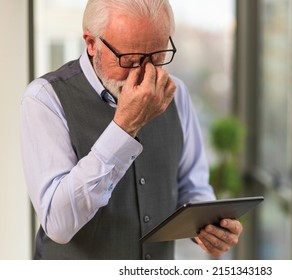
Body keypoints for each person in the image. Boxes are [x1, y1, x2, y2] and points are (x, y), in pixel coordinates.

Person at [20, 0, 243, 260]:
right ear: (92, 44)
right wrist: (125, 127)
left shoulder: (177, 94)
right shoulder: (44, 99)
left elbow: (192, 188)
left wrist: (209, 226)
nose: (145, 74)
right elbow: (58, 225)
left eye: (157, 57)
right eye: (130, 60)